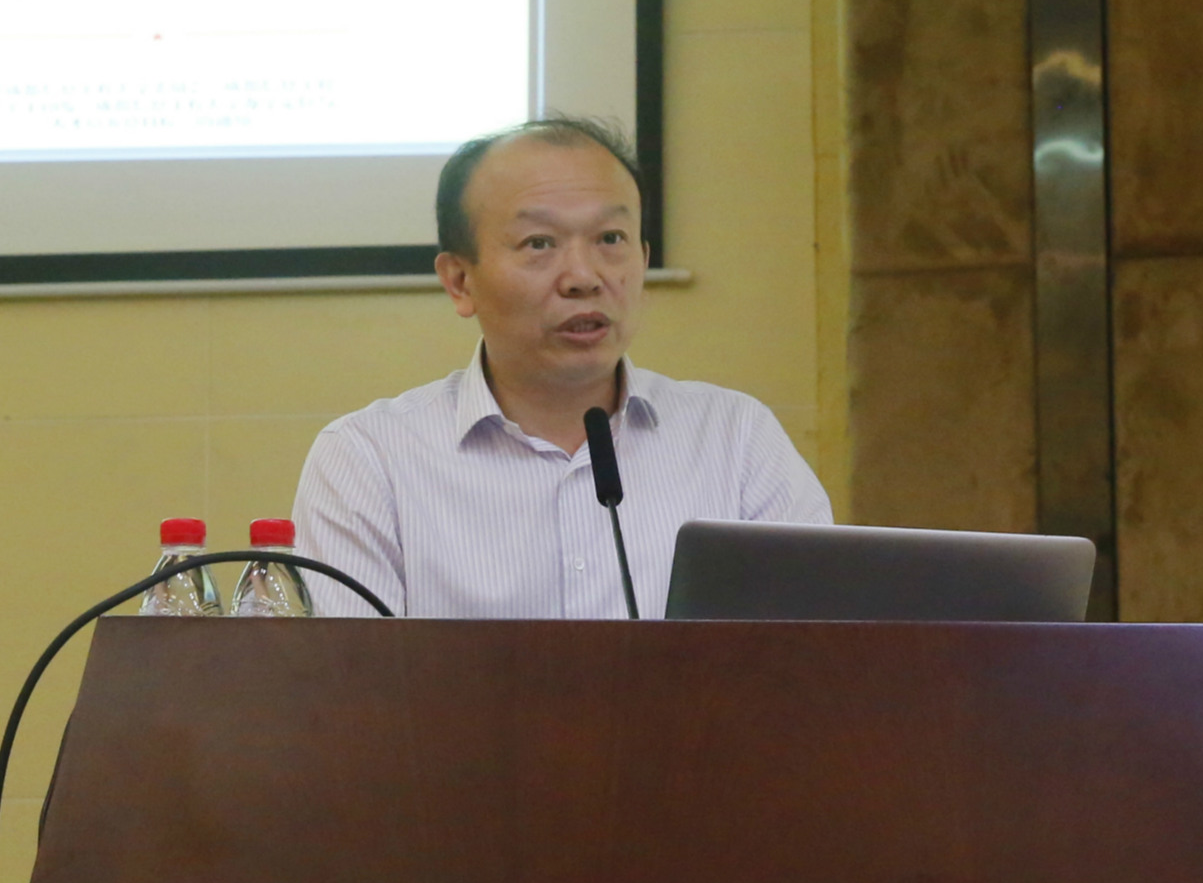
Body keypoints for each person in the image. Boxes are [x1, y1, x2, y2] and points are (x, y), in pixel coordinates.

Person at [292, 116, 831, 617]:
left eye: (610, 239)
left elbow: (822, 651)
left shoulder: (736, 439)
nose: (583, 277)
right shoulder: (369, 460)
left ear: (643, 260)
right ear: (459, 281)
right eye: (539, 243)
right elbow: (343, 678)